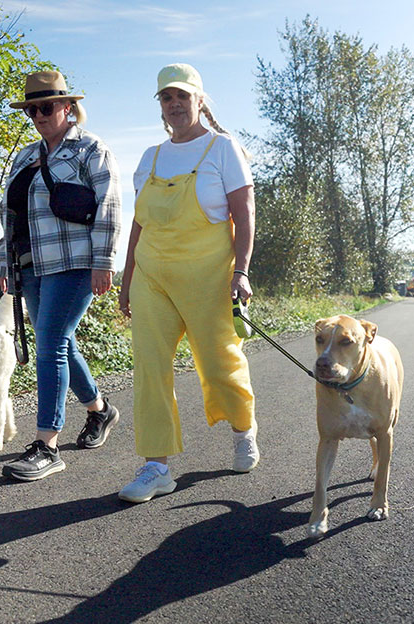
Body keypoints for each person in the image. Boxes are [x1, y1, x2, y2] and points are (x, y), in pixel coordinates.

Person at [117, 63, 258, 503]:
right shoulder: (150, 157)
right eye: (166, 97)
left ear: (200, 100)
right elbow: (137, 225)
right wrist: (127, 280)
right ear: (160, 106)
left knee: (219, 364)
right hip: (152, 277)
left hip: (210, 278)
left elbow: (245, 212)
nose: (174, 104)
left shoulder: (222, 149)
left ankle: (243, 430)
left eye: (182, 96)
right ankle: (156, 466)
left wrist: (242, 270)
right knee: (150, 368)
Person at [0, 70, 122, 481]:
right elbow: (11, 216)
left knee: (50, 343)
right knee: (60, 342)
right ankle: (100, 410)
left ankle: (47, 446)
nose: (38, 115)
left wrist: (104, 261)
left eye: (46, 107)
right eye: (32, 109)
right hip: (32, 266)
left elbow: (109, 207)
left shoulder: (91, 149)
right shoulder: (25, 155)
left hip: (75, 263)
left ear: (68, 106)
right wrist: (4, 264)